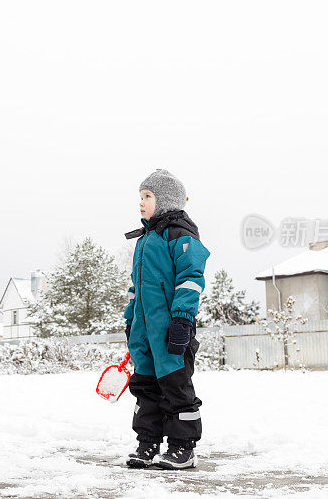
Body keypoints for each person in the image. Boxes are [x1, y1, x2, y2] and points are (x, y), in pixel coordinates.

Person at [123, 169, 210, 470]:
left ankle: (182, 447)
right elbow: (137, 287)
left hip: (173, 329)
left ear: (166, 200)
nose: (141, 203)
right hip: (144, 333)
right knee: (145, 388)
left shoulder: (179, 234)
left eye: (147, 196)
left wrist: (183, 320)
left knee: (176, 388)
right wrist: (130, 320)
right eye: (140, 197)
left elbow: (191, 278)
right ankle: (147, 444)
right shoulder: (144, 241)